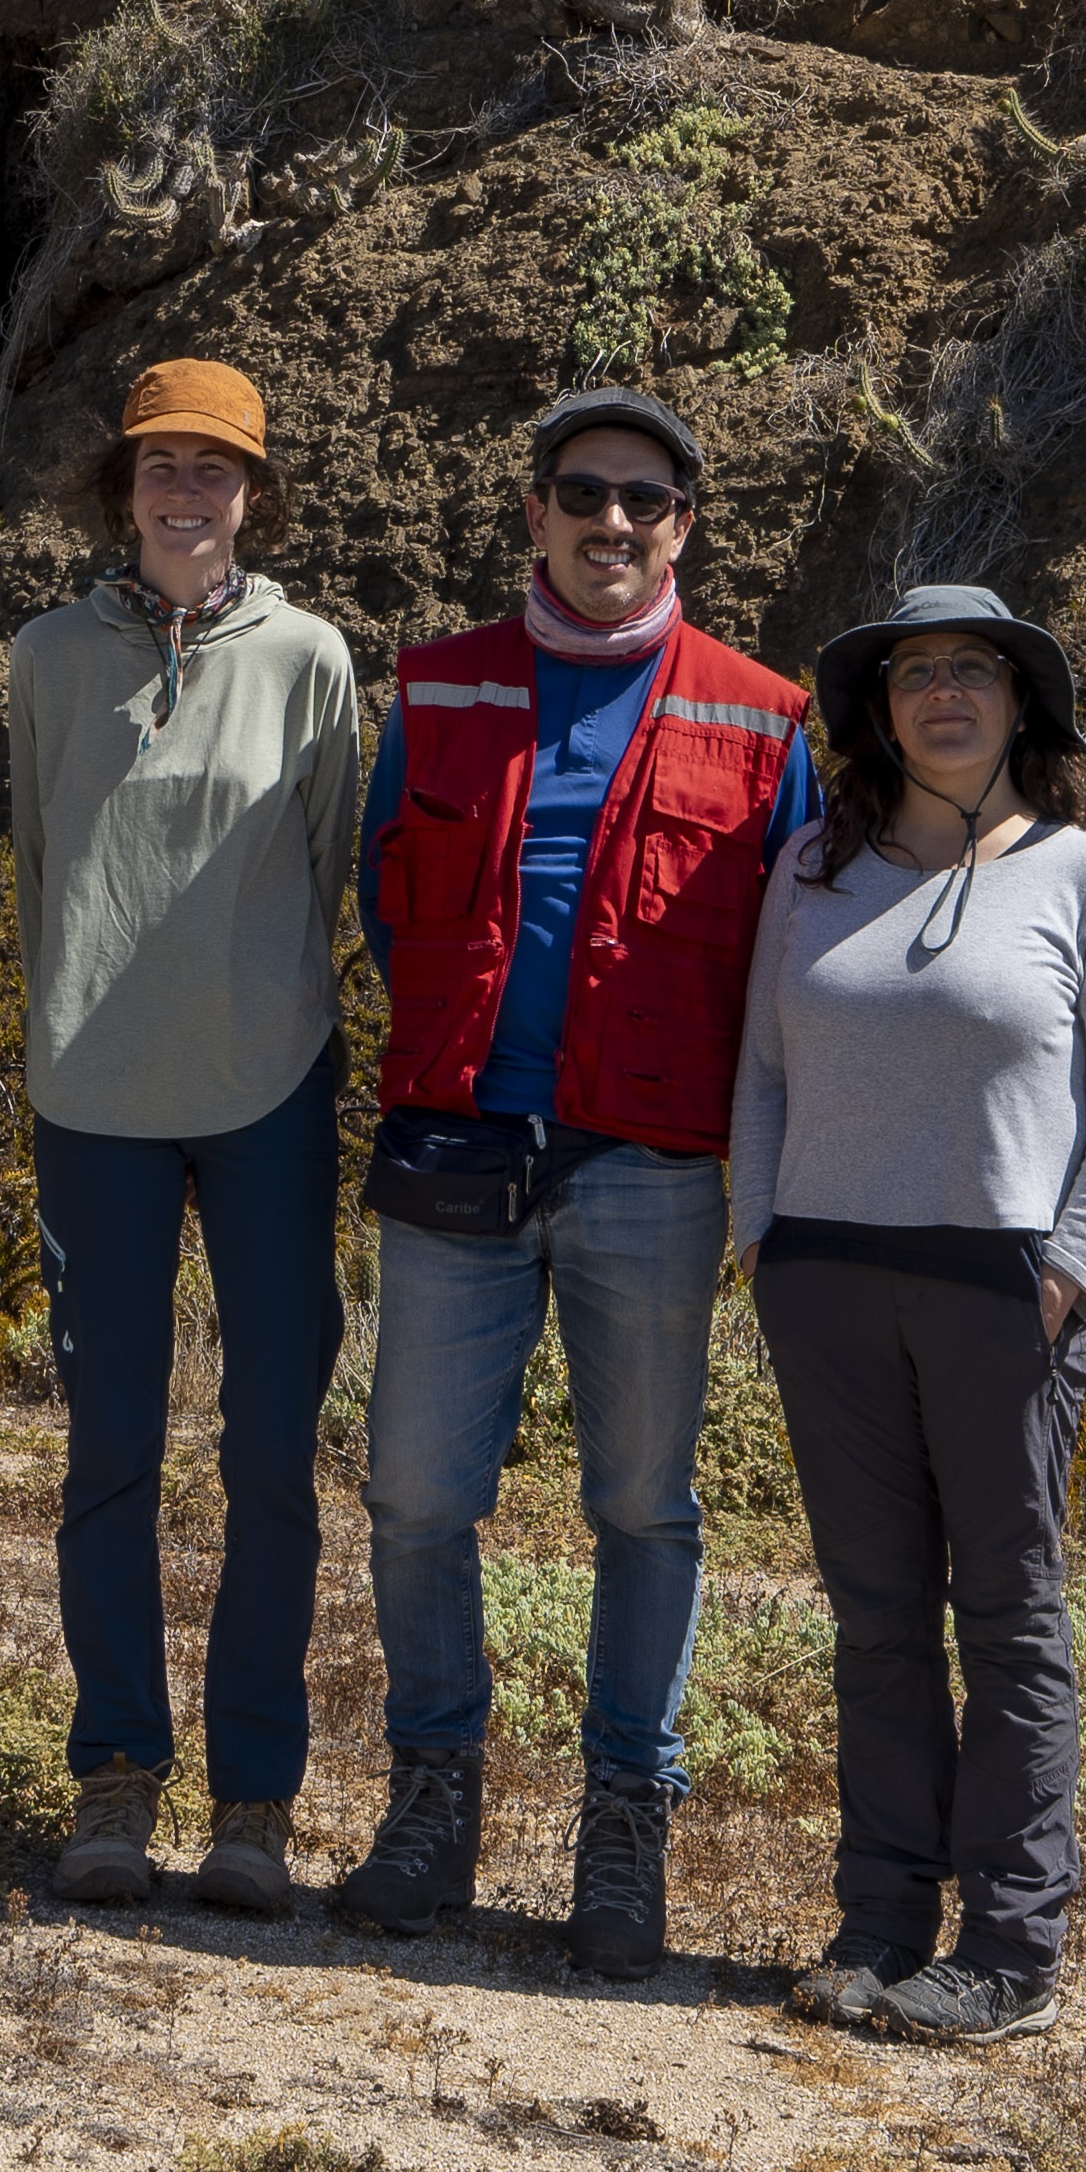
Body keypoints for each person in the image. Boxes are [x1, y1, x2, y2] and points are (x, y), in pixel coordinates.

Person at [340, 384, 817, 1978]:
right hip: (459, 1152)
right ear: (534, 510)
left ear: (684, 525)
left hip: (650, 1173)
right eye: (582, 492)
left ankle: (627, 1814)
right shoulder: (439, 685)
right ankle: (434, 1797)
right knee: (415, 1493)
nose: (612, 522)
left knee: (643, 1506)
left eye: (645, 499)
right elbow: (384, 901)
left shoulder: (768, 716)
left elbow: (791, 960)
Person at [731, 584, 1086, 2047]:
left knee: (1008, 1611)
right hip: (827, 1280)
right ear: (881, 707)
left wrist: (1070, 1270)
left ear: (1017, 702)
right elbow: (764, 1074)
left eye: (972, 669)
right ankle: (878, 1920)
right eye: (915, 669)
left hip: (1004, 1289)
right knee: (874, 1616)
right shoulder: (813, 866)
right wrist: (763, 1244)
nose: (943, 693)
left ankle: (1010, 1944)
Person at [14, 360, 362, 1918]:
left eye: (214, 470)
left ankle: (255, 1802)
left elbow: (333, 872)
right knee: (111, 1450)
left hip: (270, 1096)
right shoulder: (43, 659)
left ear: (254, 493)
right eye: (160, 463)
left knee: (272, 1455)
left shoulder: (311, 660)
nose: (185, 494)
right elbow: (37, 864)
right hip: (94, 1103)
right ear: (122, 484)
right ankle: (115, 1775)